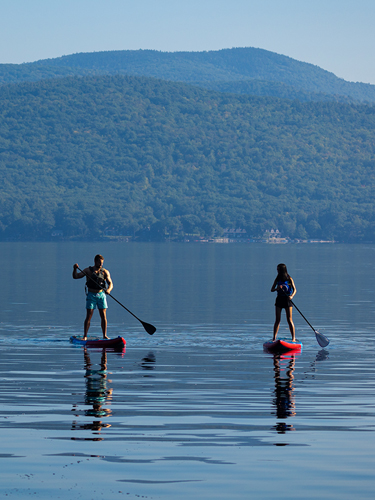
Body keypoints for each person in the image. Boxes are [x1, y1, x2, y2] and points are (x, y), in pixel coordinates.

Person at [72, 254, 113, 340]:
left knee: (103, 316)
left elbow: (111, 283)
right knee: (89, 315)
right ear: (95, 261)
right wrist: (75, 269)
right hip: (91, 295)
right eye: (99, 263)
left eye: (102, 263)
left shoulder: (105, 272)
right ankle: (85, 336)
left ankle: (105, 335)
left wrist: (109, 290)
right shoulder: (88, 270)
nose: (101, 265)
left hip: (101, 295)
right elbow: (76, 276)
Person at [271, 263, 296, 342]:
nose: (277, 270)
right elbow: (272, 289)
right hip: (279, 300)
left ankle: (293, 338)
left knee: (289, 320)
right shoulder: (277, 279)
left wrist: (291, 296)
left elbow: (295, 289)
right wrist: (277, 288)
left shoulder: (289, 279)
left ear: (282, 270)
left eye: (278, 269)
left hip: (287, 300)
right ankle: (274, 338)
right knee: (277, 320)